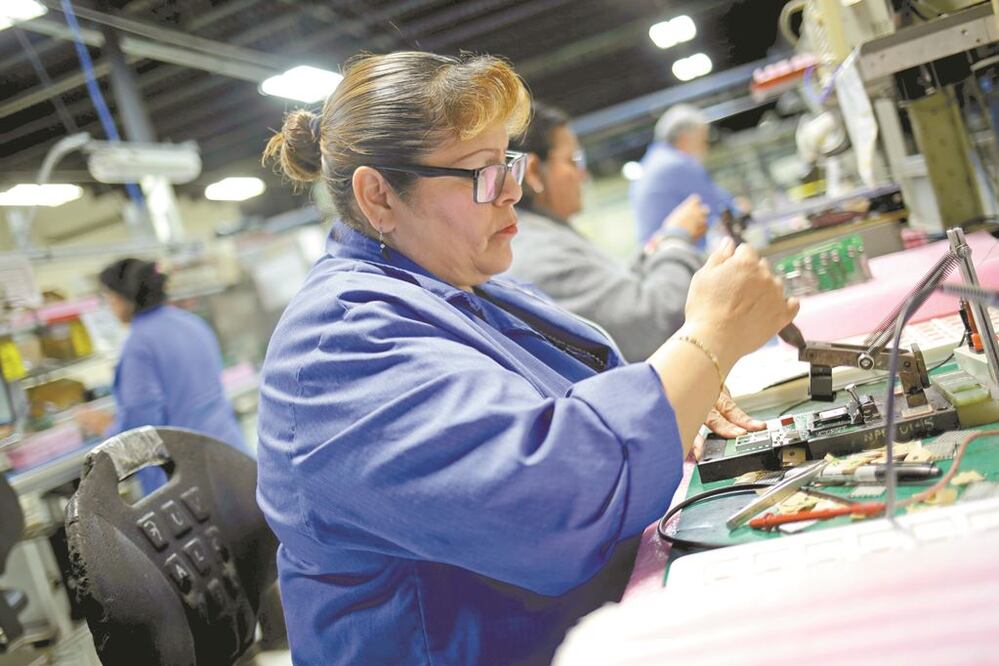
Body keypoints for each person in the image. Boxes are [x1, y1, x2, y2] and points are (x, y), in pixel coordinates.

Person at [258, 51, 797, 665]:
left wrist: (681, 393)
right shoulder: (341, 347)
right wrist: (708, 338)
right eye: (484, 173)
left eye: (507, 162)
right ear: (379, 195)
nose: (514, 191)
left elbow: (580, 393)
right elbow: (549, 500)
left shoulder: (462, 288)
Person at [506, 101, 709, 363]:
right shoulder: (538, 251)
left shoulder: (547, 233)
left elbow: (621, 286)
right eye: (573, 161)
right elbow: (651, 325)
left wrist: (662, 244)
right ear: (533, 171)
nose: (583, 175)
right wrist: (676, 240)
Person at [76, 258, 250, 489]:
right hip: (231, 454)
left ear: (121, 299)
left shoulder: (139, 344)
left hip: (189, 478)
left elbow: (140, 433)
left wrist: (103, 426)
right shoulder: (192, 323)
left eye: (109, 299)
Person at [630, 104, 740, 249]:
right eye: (703, 140)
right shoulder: (677, 164)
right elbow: (719, 206)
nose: (705, 147)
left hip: (659, 254)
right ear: (685, 137)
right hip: (677, 254)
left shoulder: (652, 161)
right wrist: (737, 205)